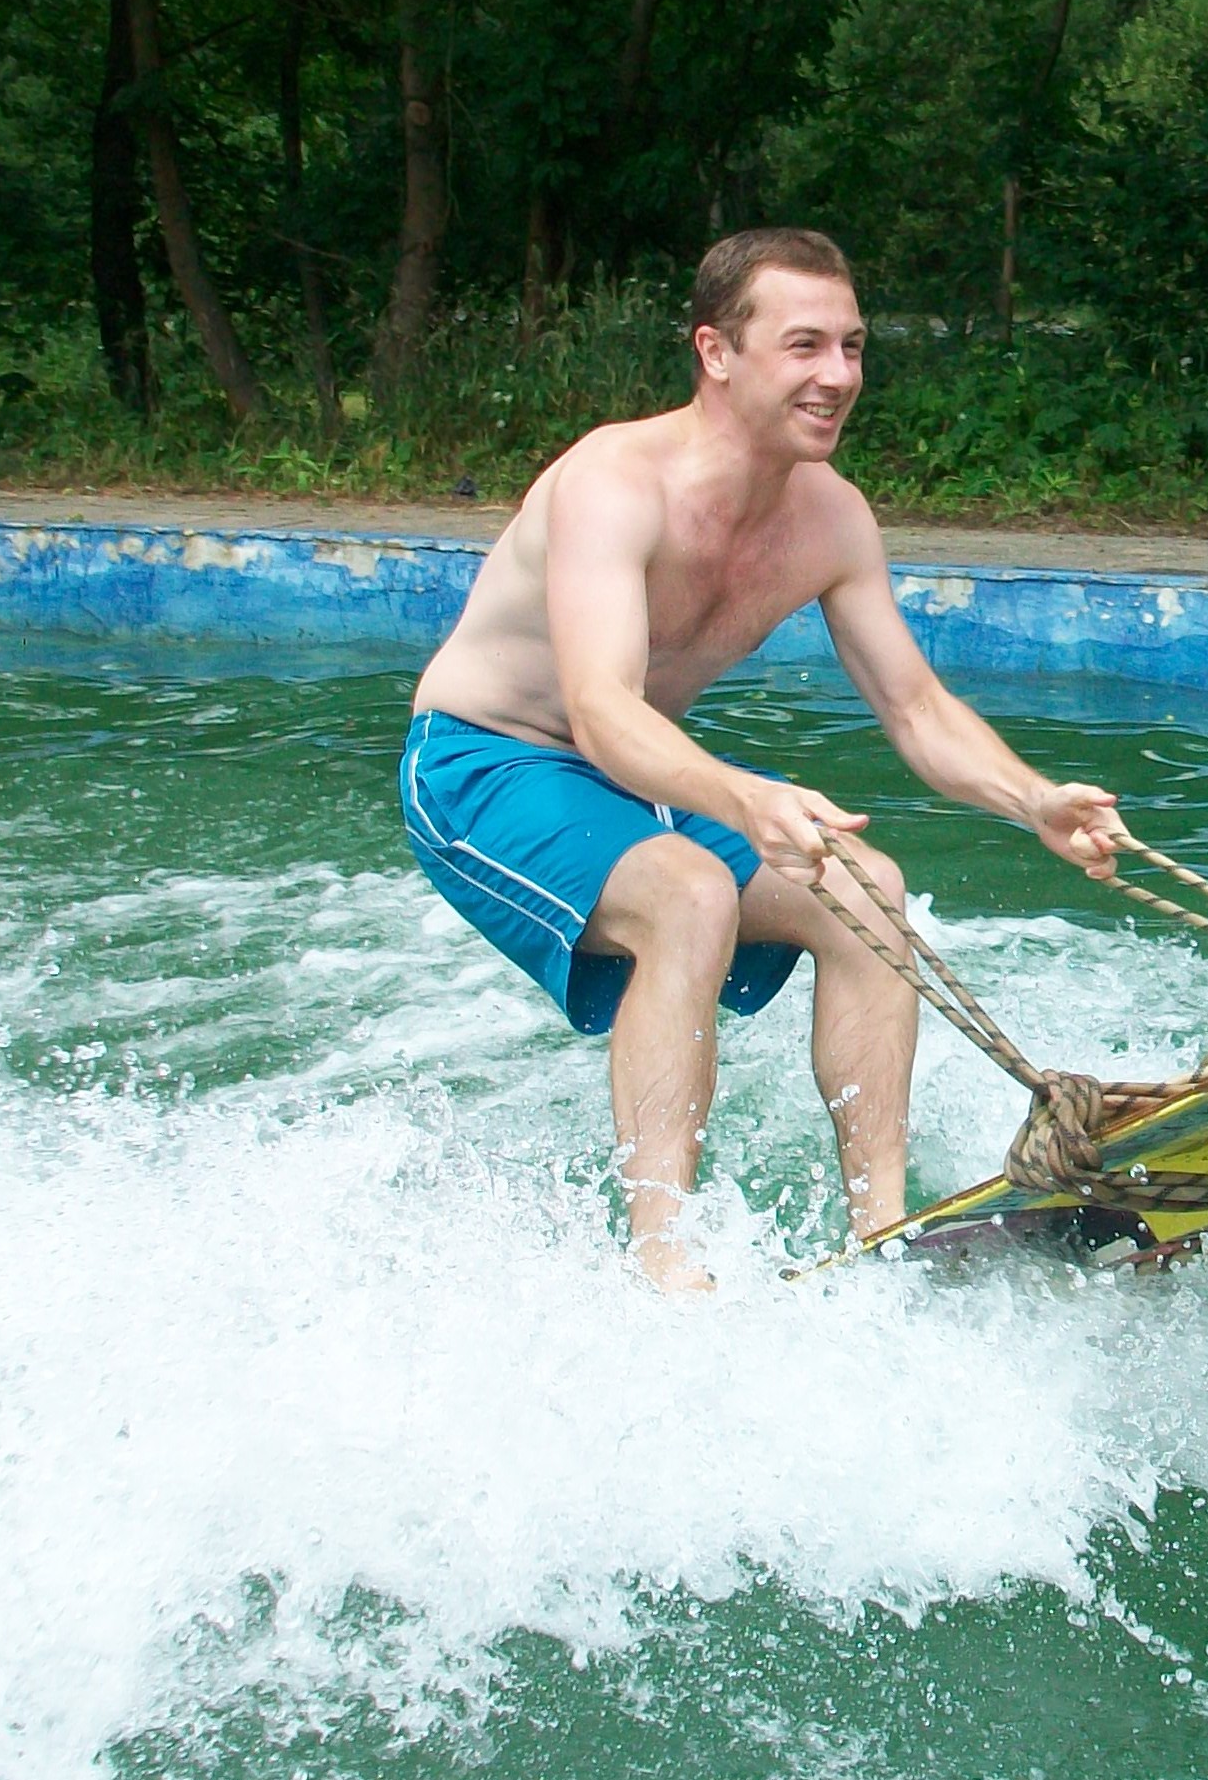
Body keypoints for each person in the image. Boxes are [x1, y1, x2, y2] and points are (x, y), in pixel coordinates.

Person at [401, 227, 1123, 1289]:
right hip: (483, 763)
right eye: (804, 346)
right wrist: (745, 797)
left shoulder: (829, 517)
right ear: (716, 352)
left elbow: (915, 705)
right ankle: (665, 1264)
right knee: (690, 893)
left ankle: (884, 1231)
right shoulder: (614, 482)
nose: (838, 375)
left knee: (867, 891)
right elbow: (599, 708)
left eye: (852, 346)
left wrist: (1033, 800)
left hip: (631, 772)